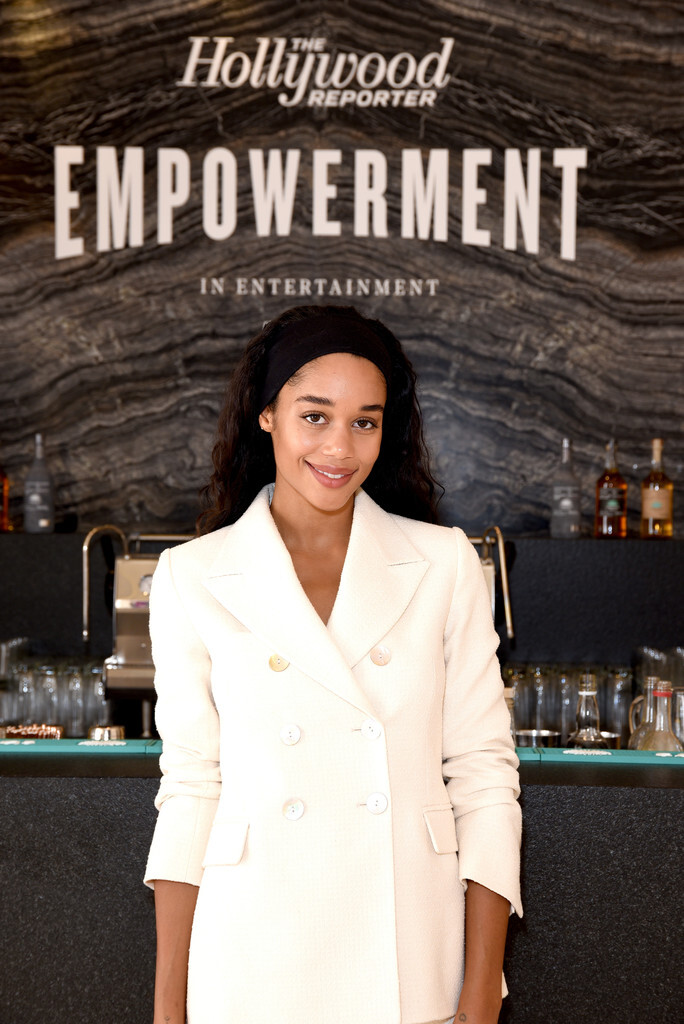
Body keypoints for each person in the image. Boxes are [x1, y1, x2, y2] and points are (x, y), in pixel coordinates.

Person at [144, 304, 522, 1024]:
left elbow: (483, 777)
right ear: (267, 416)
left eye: (364, 422)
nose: (340, 447)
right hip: (252, 962)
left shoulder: (443, 563)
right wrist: (170, 1006)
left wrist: (480, 993)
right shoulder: (192, 576)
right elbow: (192, 789)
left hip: (408, 964)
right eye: (314, 416)